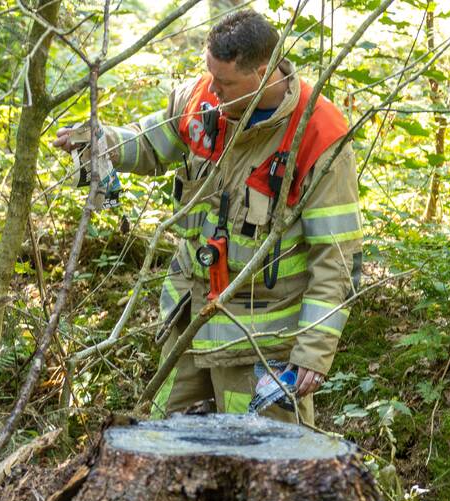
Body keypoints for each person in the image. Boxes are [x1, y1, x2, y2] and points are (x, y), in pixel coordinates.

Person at [54, 9, 361, 424]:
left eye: (227, 83)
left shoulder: (318, 133)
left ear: (265, 70)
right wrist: (97, 142)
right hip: (188, 326)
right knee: (166, 442)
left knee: (264, 465)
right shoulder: (202, 98)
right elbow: (147, 145)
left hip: (261, 347)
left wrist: (314, 351)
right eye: (211, 77)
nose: (213, 92)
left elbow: (337, 257)